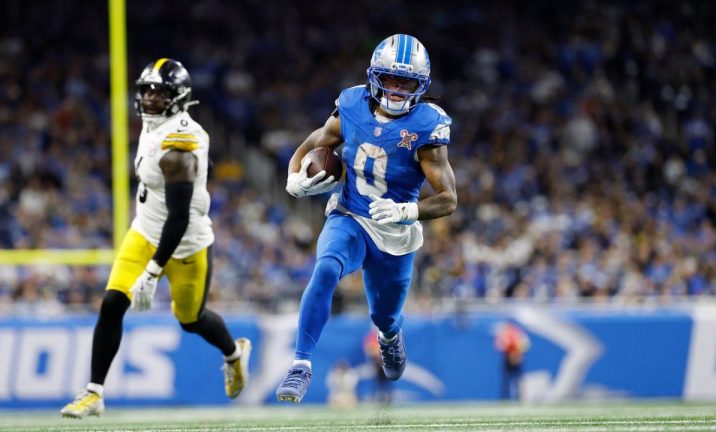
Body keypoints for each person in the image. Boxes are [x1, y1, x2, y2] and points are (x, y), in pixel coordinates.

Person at [61, 58, 251, 418]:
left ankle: (234, 354)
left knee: (191, 318)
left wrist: (152, 271)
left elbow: (178, 218)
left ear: (177, 97)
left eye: (159, 91)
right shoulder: (155, 126)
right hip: (144, 229)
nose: (149, 97)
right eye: (146, 90)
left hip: (185, 242)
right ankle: (94, 392)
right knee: (112, 303)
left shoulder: (180, 146)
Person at [276, 34, 457, 403]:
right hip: (351, 215)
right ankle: (301, 365)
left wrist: (407, 210)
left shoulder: (427, 125)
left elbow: (448, 198)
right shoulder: (352, 102)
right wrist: (294, 174)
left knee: (385, 318)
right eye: (388, 78)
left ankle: (390, 338)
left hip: (394, 231)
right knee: (326, 268)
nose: (394, 89)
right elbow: (318, 140)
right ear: (374, 76)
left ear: (420, 86)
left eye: (404, 82)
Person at [494, 322, 530, 400]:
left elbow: (525, 345)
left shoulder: (517, 333)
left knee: (518, 381)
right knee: (507, 381)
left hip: (516, 359)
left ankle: (519, 397)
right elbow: (499, 346)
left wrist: (516, 351)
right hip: (508, 359)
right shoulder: (505, 334)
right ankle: (506, 398)